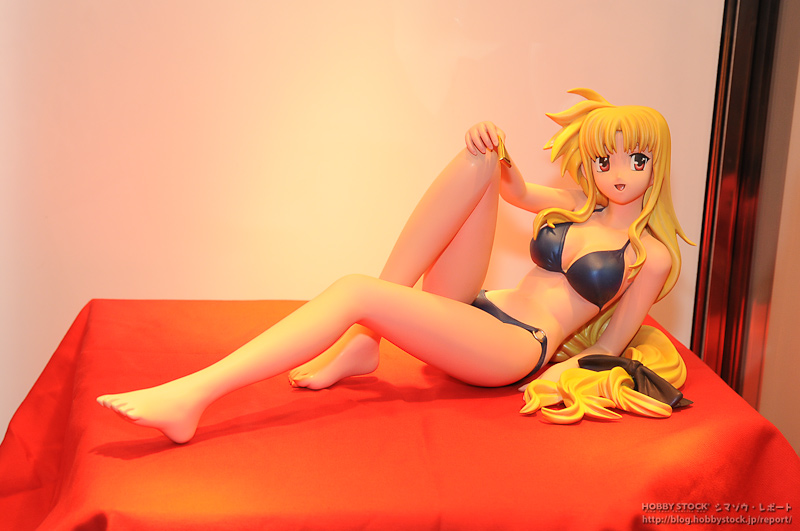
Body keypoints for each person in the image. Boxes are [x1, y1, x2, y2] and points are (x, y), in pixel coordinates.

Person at [98, 88, 692, 443]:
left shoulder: (652, 256)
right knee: (479, 161)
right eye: (605, 159)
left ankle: (196, 395)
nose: (619, 173)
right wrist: (494, 142)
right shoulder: (575, 203)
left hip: (516, 348)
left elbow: (609, 345)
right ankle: (365, 344)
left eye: (635, 160)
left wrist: (561, 379)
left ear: (656, 164)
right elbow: (512, 190)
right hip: (480, 309)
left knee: (356, 290)